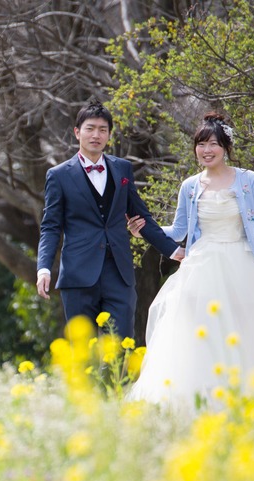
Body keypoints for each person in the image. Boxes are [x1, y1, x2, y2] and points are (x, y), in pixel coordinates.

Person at [125, 111, 254, 408]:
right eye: (201, 144)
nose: (206, 151)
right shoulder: (190, 186)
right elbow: (180, 230)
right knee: (201, 334)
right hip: (202, 266)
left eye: (213, 144)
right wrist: (144, 230)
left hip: (242, 265)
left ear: (226, 147)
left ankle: (249, 401)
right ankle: (202, 403)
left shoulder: (249, 181)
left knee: (246, 333)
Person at [37, 102, 179, 339]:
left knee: (122, 345)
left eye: (103, 130)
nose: (96, 135)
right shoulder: (59, 175)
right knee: (85, 352)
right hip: (78, 275)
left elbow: (140, 216)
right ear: (77, 132)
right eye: (90, 128)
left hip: (119, 272)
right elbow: (51, 226)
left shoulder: (122, 169)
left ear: (109, 135)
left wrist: (173, 250)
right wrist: (44, 268)